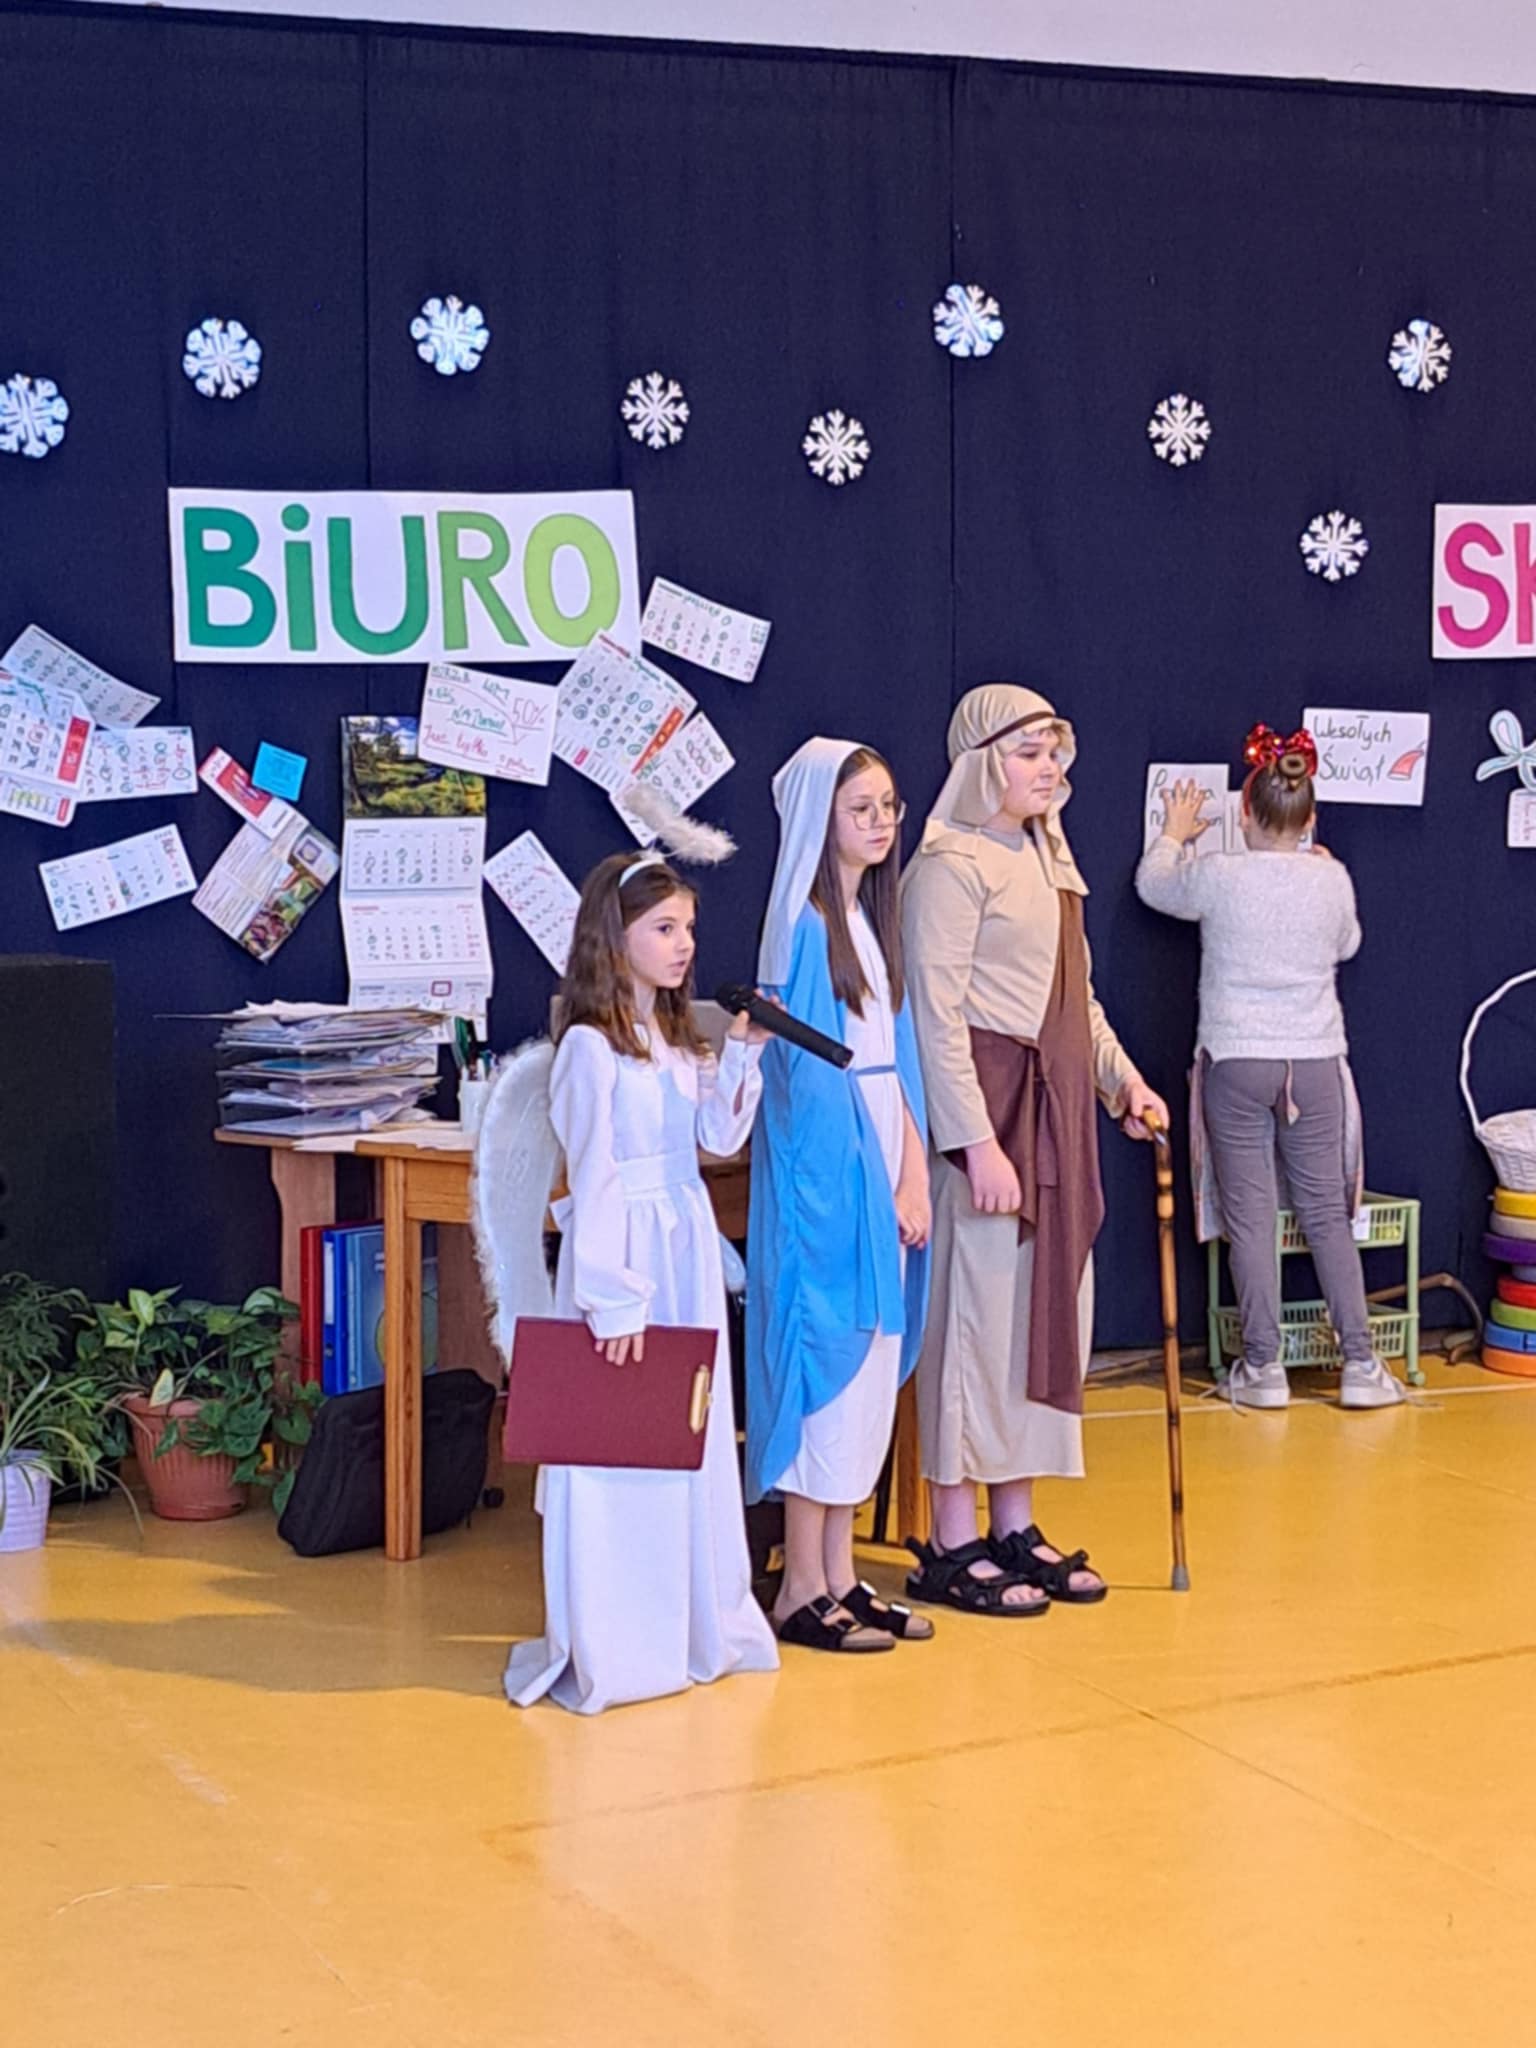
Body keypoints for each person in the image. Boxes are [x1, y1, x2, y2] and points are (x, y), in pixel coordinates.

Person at [900, 684, 1167, 1615]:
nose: (1048, 768)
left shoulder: (1050, 856)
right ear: (984, 763)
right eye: (1027, 752)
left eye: (1054, 751)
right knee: (973, 1324)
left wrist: (1121, 1082)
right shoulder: (949, 864)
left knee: (1038, 1322)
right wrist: (975, 1142)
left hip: (1055, 1125)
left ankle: (1013, 1520)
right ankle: (952, 1534)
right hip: (995, 1121)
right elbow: (935, 1017)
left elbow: (1075, 1001)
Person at [503, 850, 781, 1714]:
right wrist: (613, 1295)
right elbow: (594, 1179)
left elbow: (716, 1140)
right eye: (663, 928)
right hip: (626, 1261)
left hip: (683, 1248)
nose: (683, 944)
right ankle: (621, 1638)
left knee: (686, 1436)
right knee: (618, 1444)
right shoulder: (590, 1048)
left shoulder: (673, 1037)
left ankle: (694, 1621)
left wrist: (743, 1057)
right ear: (614, 938)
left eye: (688, 928)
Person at [1135, 723, 1406, 1410]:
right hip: (1314, 1060)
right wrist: (1320, 871)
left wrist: (1174, 833)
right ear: (1310, 819)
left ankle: (1262, 1368)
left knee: (1250, 1217)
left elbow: (1153, 885)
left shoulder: (1221, 874)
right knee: (1326, 1214)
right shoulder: (1331, 878)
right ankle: (1362, 1365)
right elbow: (1347, 944)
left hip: (1237, 1058)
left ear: (1244, 814)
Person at [746, 738, 934, 1654]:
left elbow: (895, 1061)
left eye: (889, 806)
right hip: (830, 1181)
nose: (881, 823)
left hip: (880, 1157)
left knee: (867, 1376)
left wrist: (912, 1166)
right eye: (861, 809)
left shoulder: (868, 923)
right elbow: (809, 1085)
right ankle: (801, 1585)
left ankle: (841, 1574)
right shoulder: (803, 927)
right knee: (826, 1361)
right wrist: (870, 1181)